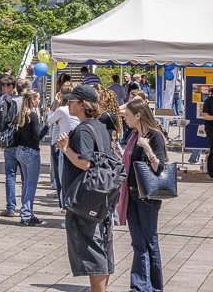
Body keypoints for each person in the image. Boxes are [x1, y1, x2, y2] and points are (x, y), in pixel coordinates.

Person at [55, 85, 115, 292]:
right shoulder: (99, 127)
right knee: (103, 248)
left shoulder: (82, 130)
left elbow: (85, 163)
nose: (68, 103)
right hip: (102, 197)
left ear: (82, 104)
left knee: (92, 252)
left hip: (84, 199)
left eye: (72, 101)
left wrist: (65, 148)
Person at [115, 98, 168, 292]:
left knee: (150, 242)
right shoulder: (134, 135)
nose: (125, 118)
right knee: (138, 242)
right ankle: (139, 287)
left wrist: (146, 147)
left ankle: (153, 287)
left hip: (147, 197)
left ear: (138, 115)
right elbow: (133, 164)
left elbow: (159, 167)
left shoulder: (154, 136)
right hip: (131, 194)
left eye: (128, 115)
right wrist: (120, 154)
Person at [16, 88, 48, 226]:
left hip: (20, 151)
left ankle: (28, 211)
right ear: (32, 99)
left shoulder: (21, 114)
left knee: (26, 184)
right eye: (38, 98)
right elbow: (38, 137)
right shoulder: (32, 115)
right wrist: (47, 126)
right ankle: (26, 214)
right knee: (31, 185)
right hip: (31, 152)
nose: (39, 101)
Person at [47, 84, 79, 217]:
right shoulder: (74, 111)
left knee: (61, 178)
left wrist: (55, 103)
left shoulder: (62, 110)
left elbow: (49, 119)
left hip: (60, 146)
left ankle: (63, 207)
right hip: (73, 145)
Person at [0, 75, 22, 217]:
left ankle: (11, 208)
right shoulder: (25, 100)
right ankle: (26, 208)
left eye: (4, 86)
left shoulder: (4, 100)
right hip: (23, 143)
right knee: (25, 177)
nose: (3, 89)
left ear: (11, 86)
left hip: (9, 143)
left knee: (10, 176)